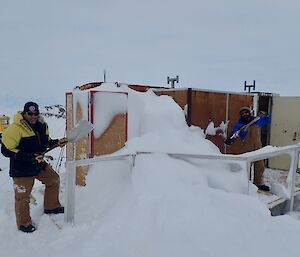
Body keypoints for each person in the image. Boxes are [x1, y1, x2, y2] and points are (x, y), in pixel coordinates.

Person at [1, 102, 68, 233]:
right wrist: (29, 157)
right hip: (21, 168)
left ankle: (51, 206)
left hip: (38, 164)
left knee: (53, 180)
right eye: (30, 114)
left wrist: (57, 142)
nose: (33, 116)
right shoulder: (15, 128)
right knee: (22, 197)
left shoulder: (42, 125)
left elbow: (46, 142)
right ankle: (24, 224)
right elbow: (5, 150)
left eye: (35, 114)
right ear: (24, 113)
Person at [225, 106, 271, 191]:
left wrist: (266, 115)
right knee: (246, 166)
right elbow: (233, 134)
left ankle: (258, 183)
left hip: (258, 147)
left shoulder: (257, 121)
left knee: (259, 166)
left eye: (246, 112)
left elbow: (268, 120)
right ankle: (246, 183)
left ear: (249, 113)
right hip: (246, 148)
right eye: (242, 113)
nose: (244, 114)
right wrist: (229, 139)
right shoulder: (239, 124)